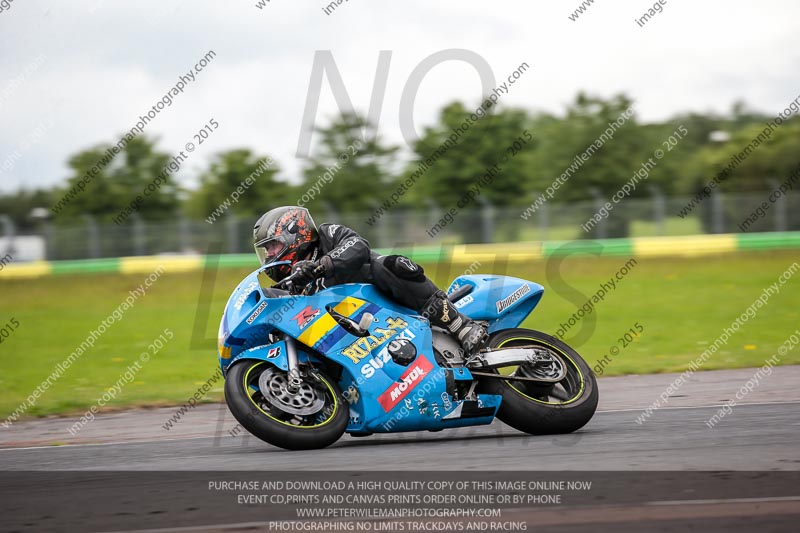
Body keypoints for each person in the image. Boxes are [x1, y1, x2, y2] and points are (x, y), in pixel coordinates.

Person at [253, 206, 487, 354]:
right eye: (266, 250)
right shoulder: (294, 282)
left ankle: (460, 324)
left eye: (273, 246)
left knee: (389, 264)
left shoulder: (327, 234)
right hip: (360, 333)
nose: (270, 255)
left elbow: (358, 245)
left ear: (296, 233)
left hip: (386, 296)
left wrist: (319, 266)